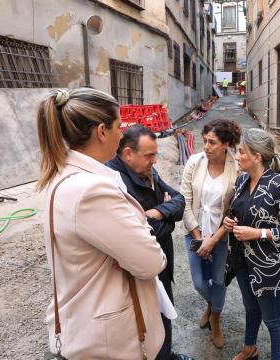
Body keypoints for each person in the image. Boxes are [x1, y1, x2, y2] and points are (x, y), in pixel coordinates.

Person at [36, 88, 168, 359]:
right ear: (101, 131)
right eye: (119, 126)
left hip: (83, 318)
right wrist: (141, 226)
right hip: (107, 340)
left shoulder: (61, 175)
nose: (122, 134)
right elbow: (151, 261)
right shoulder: (91, 190)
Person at [106, 125, 193, 360]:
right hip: (138, 268)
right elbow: (141, 233)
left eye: (155, 154)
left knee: (164, 312)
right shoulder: (114, 181)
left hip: (161, 259)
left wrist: (157, 212)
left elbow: (178, 199)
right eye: (149, 155)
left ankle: (166, 355)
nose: (154, 161)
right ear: (127, 154)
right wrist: (167, 219)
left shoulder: (147, 170)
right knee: (144, 319)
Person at [223, 128, 280, 360]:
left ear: (257, 156)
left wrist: (258, 233)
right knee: (250, 308)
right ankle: (250, 349)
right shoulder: (241, 181)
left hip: (267, 266)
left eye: (241, 152)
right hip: (241, 260)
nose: (237, 156)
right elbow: (240, 212)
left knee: (273, 321)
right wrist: (230, 222)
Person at [180, 119, 241, 349]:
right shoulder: (194, 162)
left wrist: (214, 240)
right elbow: (184, 200)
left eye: (212, 142)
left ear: (225, 144)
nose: (206, 146)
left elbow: (235, 209)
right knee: (198, 282)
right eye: (205, 141)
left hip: (222, 237)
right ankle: (211, 304)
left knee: (218, 281)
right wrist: (198, 238)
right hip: (195, 230)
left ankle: (215, 317)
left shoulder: (236, 168)